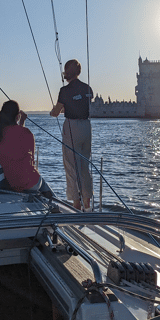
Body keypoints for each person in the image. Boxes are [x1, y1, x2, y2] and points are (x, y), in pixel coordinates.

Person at [50, 59, 93, 210]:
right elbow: (80, 103)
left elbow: (56, 112)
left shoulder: (65, 91)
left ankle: (76, 202)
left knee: (71, 165)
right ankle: (87, 200)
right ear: (79, 72)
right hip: (86, 127)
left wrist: (53, 112)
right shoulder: (88, 88)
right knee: (84, 165)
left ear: (67, 73)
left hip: (72, 126)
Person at [0, 100, 52, 196]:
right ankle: (58, 206)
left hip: (6, 183)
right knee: (44, 186)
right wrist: (22, 122)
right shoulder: (26, 133)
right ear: (17, 116)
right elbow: (30, 160)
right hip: (29, 183)